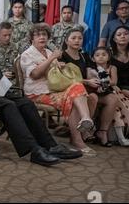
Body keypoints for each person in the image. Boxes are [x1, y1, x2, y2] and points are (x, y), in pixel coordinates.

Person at [0, 21, 83, 166]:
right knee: (8, 105)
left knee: (25, 102)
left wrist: (0, 82)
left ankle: (51, 146)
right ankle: (33, 150)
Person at [20, 23, 96, 155]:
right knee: (74, 98)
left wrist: (58, 66)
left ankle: (84, 120)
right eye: (38, 35)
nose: (42, 37)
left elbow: (54, 73)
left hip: (54, 89)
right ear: (32, 38)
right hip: (36, 93)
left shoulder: (49, 51)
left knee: (78, 87)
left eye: (44, 34)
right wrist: (52, 59)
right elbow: (35, 74)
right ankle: (78, 138)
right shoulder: (27, 54)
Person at [60, 28, 121, 147]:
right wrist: (87, 82)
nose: (77, 40)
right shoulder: (62, 56)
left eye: (80, 38)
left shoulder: (84, 56)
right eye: (73, 38)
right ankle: (81, 132)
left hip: (88, 87)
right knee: (92, 97)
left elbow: (91, 72)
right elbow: (65, 79)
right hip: (71, 89)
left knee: (112, 98)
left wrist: (102, 82)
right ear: (67, 41)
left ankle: (102, 132)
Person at [87, 47, 129, 146]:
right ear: (93, 58)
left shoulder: (112, 68)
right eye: (97, 55)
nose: (101, 57)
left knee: (125, 107)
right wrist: (103, 81)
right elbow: (92, 81)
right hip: (98, 92)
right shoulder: (91, 69)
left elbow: (114, 81)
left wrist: (104, 78)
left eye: (104, 54)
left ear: (109, 57)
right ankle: (119, 137)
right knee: (116, 108)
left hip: (113, 92)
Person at [0, 21, 19, 85]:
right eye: (5, 35)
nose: (7, 38)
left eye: (9, 35)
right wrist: (1, 75)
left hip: (14, 85)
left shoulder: (16, 48)